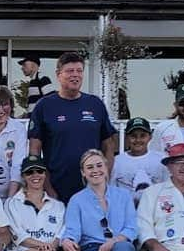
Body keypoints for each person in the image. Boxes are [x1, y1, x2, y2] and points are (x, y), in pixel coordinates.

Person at [28, 52, 118, 203]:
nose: (75, 75)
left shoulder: (95, 104)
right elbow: (34, 150)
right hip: (57, 189)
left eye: (79, 71)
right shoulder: (44, 106)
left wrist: (104, 178)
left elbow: (109, 145)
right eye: (70, 71)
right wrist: (47, 188)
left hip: (92, 190)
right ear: (58, 74)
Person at [110, 117, 166, 208]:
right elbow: (111, 191)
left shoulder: (161, 160)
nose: (138, 140)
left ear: (150, 137)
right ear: (127, 137)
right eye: (133, 136)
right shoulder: (117, 162)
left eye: (142, 135)